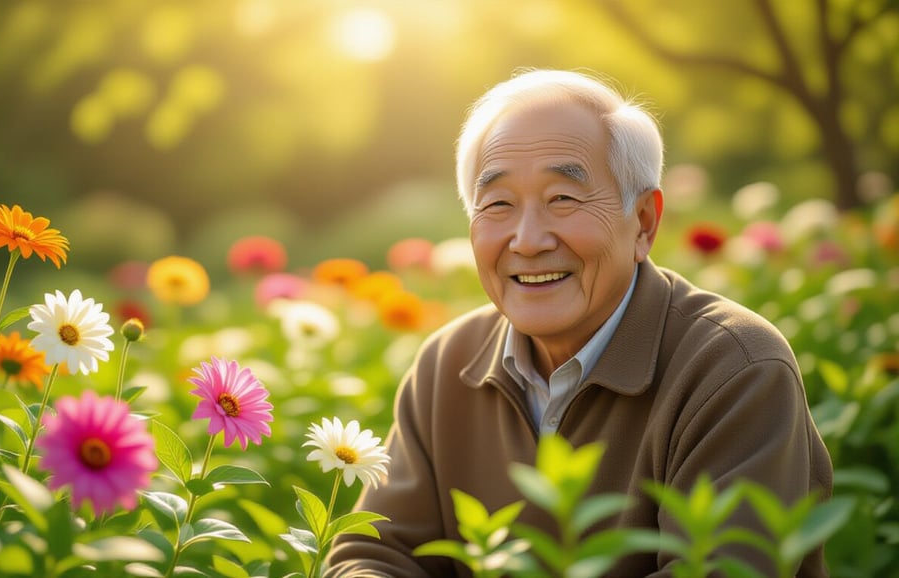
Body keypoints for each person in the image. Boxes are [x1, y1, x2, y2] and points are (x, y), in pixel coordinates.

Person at [324, 68, 834, 577]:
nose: (527, 240)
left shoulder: (734, 368)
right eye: (498, 203)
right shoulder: (447, 363)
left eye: (562, 199)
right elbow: (371, 553)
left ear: (644, 223)